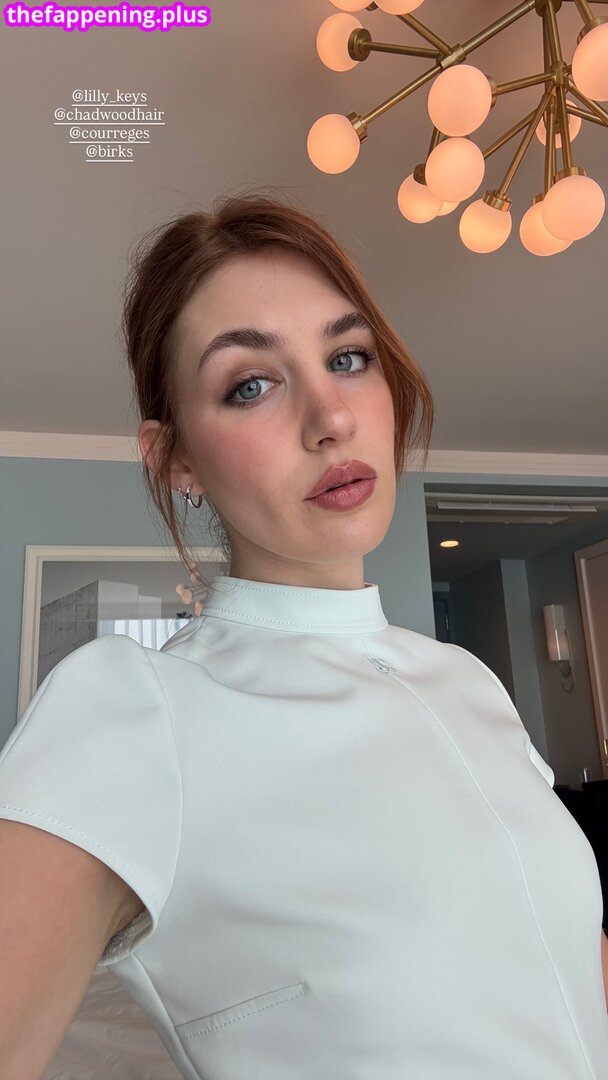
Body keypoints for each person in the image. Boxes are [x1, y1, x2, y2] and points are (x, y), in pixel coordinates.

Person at [1, 191, 607, 1080]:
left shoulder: (471, 683)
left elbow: (569, 975)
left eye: (348, 357)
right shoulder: (134, 710)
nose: (331, 417)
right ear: (176, 460)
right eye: (250, 384)